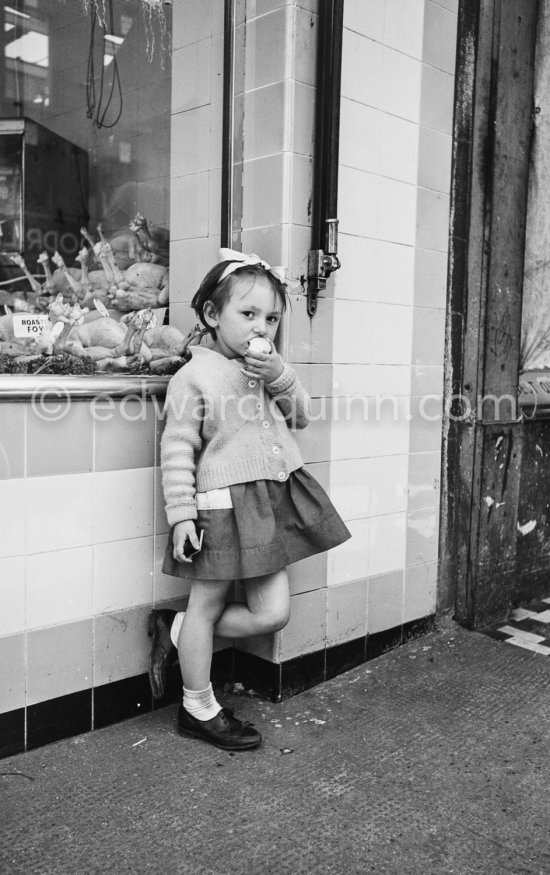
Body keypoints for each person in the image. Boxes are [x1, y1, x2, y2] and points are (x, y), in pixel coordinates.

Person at [148, 249, 351, 751]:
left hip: (268, 499)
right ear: (213, 316)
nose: (262, 326)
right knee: (207, 605)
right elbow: (176, 450)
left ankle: (174, 631)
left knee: (271, 613)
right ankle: (197, 705)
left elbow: (301, 414)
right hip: (218, 502)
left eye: (272, 317)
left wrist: (279, 372)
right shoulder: (193, 377)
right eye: (248, 314)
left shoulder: (265, 369)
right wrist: (182, 517)